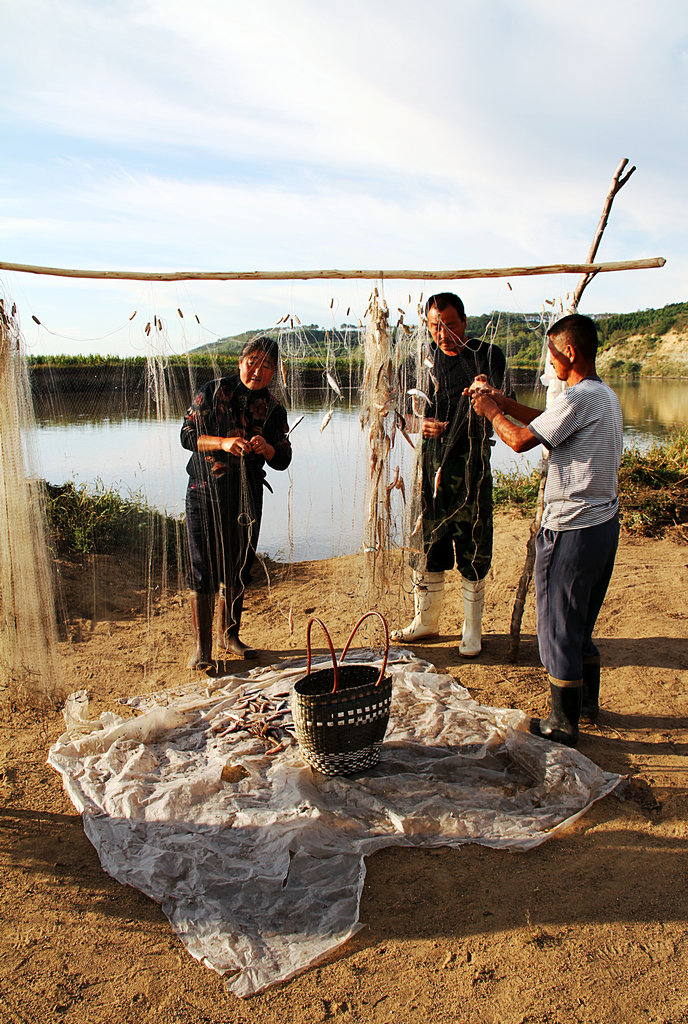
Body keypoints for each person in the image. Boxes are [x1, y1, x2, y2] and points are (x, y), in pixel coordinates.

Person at [468, 313, 623, 746]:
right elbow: (547, 420)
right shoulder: (601, 396)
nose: (548, 362)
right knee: (580, 621)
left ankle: (563, 722)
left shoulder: (579, 398)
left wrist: (490, 410)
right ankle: (586, 706)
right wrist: (503, 399)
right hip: (602, 526)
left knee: (556, 624)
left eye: (551, 353)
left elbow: (519, 441)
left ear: (569, 352)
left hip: (572, 529)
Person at [392, 292, 512, 656]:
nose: (442, 334)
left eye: (450, 325)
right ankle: (425, 622)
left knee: (474, 546)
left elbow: (505, 400)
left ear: (465, 321)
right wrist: (419, 424)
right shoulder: (417, 360)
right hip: (428, 468)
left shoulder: (488, 355)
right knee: (424, 543)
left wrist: (488, 392)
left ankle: (471, 629)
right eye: (434, 326)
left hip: (472, 466)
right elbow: (399, 414)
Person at [180, 336, 292, 668]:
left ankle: (229, 637)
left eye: (267, 366)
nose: (258, 370)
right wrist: (223, 442)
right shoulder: (213, 391)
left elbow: (283, 458)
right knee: (203, 567)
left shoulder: (274, 408)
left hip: (246, 497)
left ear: (274, 372)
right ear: (240, 361)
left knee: (239, 566)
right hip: (204, 491)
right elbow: (187, 436)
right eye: (253, 361)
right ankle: (203, 649)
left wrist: (266, 447)